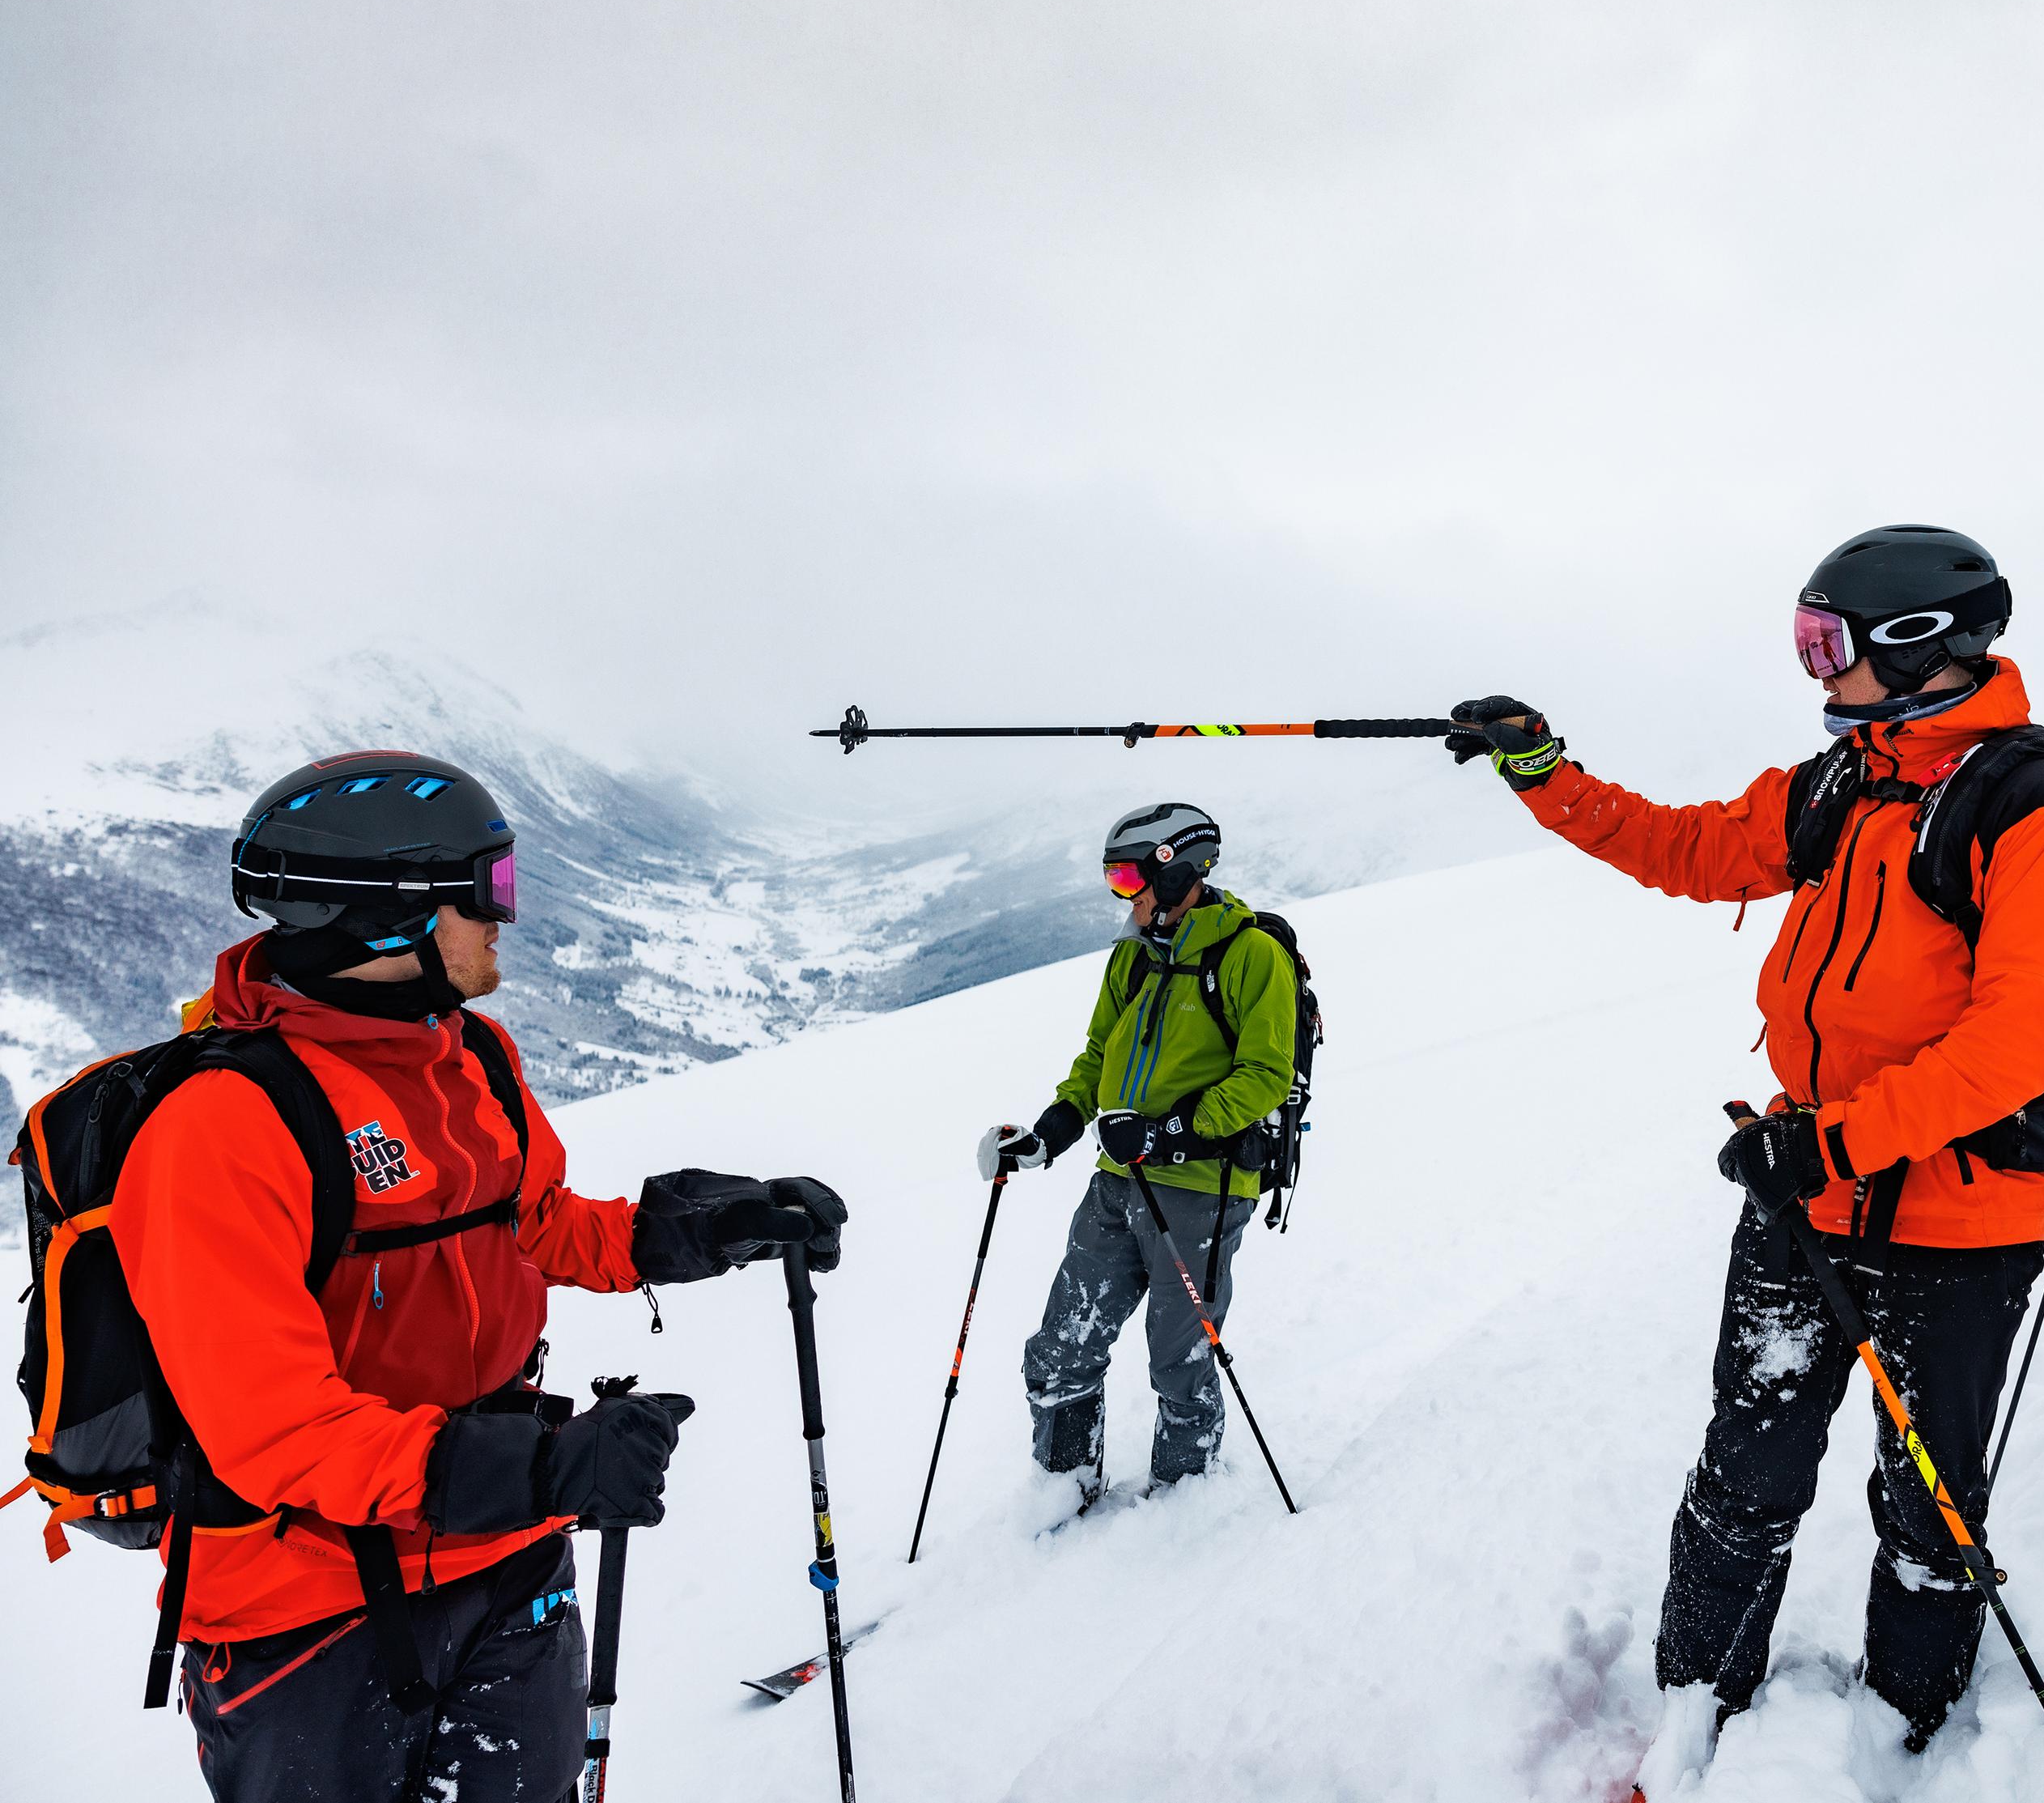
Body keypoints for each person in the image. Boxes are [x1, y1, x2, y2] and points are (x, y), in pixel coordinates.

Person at [1447, 525, 2044, 1756]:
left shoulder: (2035, 811)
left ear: (1920, 647)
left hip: (1960, 1223)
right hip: (1807, 1198)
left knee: (1929, 1503)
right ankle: (1694, 1703)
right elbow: (1686, 849)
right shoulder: (1839, 782)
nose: (1814, 672)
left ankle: (1907, 1728)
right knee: (1742, 1473)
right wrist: (1542, 769)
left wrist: (1835, 1144)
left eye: (1830, 644)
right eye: (1805, 642)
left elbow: (2017, 1042)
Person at [96, 749, 845, 1803]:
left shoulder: (471, 1055)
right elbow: (275, 1429)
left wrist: (688, 1233)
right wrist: (542, 1471)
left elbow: (533, 1223)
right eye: (488, 887)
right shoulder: (221, 1126)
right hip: (308, 1608)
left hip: (505, 1552)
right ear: (388, 918)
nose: (507, 915)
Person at [980, 802, 1297, 1516]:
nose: (1122, 893)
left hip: (1202, 1186)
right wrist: (1050, 1133)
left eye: (1128, 876)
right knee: (1062, 1344)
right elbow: (1099, 1058)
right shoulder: (1133, 954)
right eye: (1113, 877)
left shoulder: (1251, 955)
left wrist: (1169, 1133)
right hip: (1118, 1181)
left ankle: (1184, 1504)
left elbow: (1264, 1074)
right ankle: (1064, 1489)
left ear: (1178, 867)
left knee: (1178, 1360)